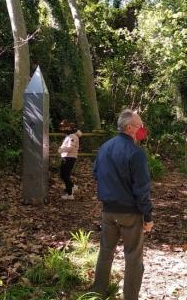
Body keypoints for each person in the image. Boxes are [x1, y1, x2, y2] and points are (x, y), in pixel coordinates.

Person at [90, 109, 154, 300]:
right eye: (140, 125)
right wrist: (148, 216)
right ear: (129, 128)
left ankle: (98, 291)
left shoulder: (105, 147)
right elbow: (142, 189)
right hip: (130, 213)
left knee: (106, 252)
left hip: (108, 210)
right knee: (133, 257)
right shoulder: (136, 153)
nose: (142, 128)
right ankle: (130, 297)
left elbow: (96, 174)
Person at [58, 120, 82, 200]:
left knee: (65, 175)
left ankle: (70, 194)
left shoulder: (73, 136)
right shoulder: (69, 136)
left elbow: (70, 147)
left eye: (63, 127)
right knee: (62, 174)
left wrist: (61, 150)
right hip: (66, 157)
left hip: (70, 157)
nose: (62, 129)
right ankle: (72, 186)